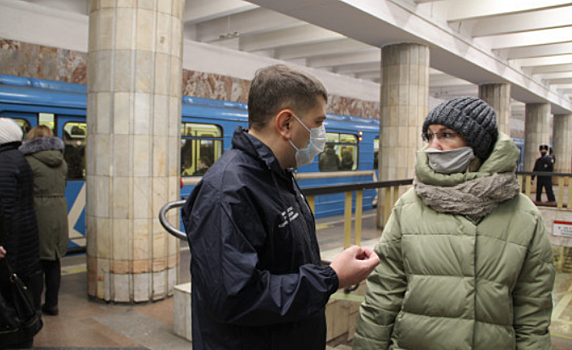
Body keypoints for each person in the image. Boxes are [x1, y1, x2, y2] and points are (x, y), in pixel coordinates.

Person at [182, 64, 380, 350]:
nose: (321, 134)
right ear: (286, 123)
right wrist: (331, 278)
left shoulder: (277, 176)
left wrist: (334, 268)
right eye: (317, 122)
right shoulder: (229, 191)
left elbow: (281, 264)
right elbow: (235, 296)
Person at [354, 97, 555, 350]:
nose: (433, 146)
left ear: (478, 144)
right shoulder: (409, 206)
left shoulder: (523, 214)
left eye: (446, 135)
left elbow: (532, 310)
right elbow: (383, 295)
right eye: (429, 136)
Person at [0, 118, 43, 348]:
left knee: (10, 295)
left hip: (11, 244)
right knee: (22, 292)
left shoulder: (4, 163)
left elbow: (4, 209)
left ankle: (15, 336)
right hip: (26, 237)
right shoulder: (20, 159)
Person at [19, 125, 68, 316]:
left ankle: (35, 305)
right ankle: (52, 304)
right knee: (54, 260)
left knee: (37, 261)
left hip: (38, 211)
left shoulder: (28, 161)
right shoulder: (61, 161)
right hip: (59, 211)